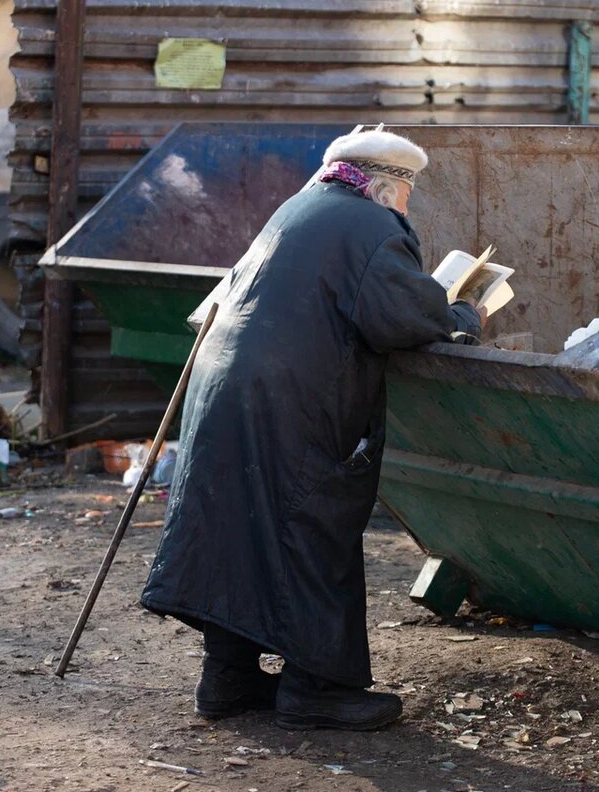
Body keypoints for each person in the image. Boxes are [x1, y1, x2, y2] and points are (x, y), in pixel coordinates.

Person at [139, 129, 483, 731]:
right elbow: (403, 317)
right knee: (314, 524)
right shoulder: (373, 228)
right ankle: (318, 687)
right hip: (292, 405)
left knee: (237, 527)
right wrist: (463, 315)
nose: (406, 206)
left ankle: (229, 676)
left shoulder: (297, 208)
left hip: (224, 395)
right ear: (382, 187)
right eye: (405, 194)